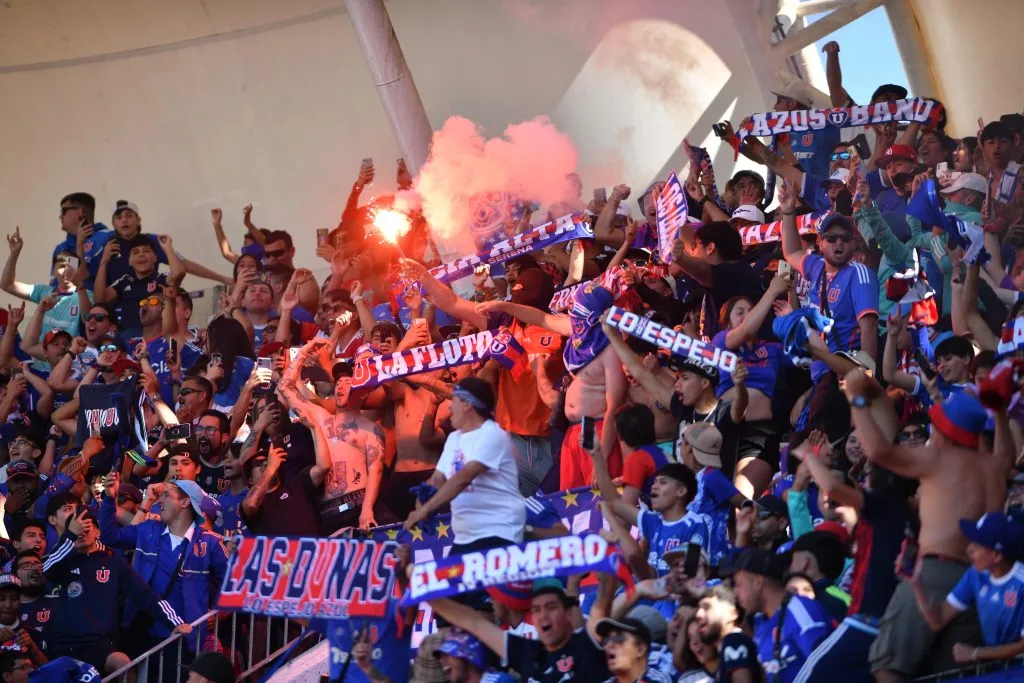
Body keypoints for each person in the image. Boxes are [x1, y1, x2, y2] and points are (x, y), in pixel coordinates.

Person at [847, 371, 1009, 679]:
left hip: (936, 574)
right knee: (953, 674)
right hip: (978, 579)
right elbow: (1006, 452)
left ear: (946, 433)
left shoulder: (939, 459)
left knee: (887, 665)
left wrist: (855, 397)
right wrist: (999, 411)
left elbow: (879, 451)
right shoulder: (995, 467)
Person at [780, 182, 879, 441]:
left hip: (844, 377)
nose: (838, 244)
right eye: (831, 238)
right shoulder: (818, 269)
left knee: (817, 449)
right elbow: (791, 251)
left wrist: (866, 380)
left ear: (854, 244)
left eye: (845, 239)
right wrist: (788, 213)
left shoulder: (859, 274)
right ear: (820, 243)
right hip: (823, 376)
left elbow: (868, 328)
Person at [43, 507, 191, 675]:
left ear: (98, 532)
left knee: (122, 663)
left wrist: (175, 622)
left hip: (99, 643)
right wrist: (69, 535)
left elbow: (145, 595)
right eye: (76, 529)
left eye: (86, 527)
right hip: (63, 644)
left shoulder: (114, 563)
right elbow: (46, 569)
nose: (80, 533)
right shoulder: (62, 563)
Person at [404, 378, 525, 552]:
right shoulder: (455, 438)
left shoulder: (493, 434)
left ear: (468, 404)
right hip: (465, 537)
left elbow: (464, 477)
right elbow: (437, 479)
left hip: (498, 532)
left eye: (453, 401)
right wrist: (420, 503)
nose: (450, 407)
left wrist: (426, 510)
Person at [279, 339, 386, 533]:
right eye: (338, 382)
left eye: (347, 382)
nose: (340, 386)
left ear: (362, 393)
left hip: (358, 505)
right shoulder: (322, 418)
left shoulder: (370, 428)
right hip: (327, 512)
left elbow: (376, 470)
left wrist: (367, 509)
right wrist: (304, 351)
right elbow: (285, 387)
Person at [429, 576, 616, 682]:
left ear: (567, 613)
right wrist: (423, 591)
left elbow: (604, 600)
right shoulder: (527, 653)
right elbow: (473, 622)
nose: (543, 615)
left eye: (551, 607)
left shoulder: (587, 642)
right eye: (536, 610)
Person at [913, 513, 1024, 665]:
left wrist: (976, 653)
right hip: (996, 667)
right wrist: (917, 584)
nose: (968, 549)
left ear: (997, 555)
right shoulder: (975, 574)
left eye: (978, 545)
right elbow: (938, 621)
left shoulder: (1021, 582)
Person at [723, 548, 832, 683]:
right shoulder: (760, 622)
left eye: (738, 584)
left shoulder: (799, 609)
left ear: (758, 582)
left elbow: (828, 667)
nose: (735, 593)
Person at [694, 584, 763, 683]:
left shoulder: (734, 641)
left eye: (707, 607)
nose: (698, 615)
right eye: (698, 609)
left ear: (733, 614)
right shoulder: (728, 646)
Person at [595, 617, 673, 682]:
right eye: (606, 640)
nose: (608, 645)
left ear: (640, 649)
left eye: (619, 638)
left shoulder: (658, 680)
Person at [433, 629, 517, 683]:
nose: (442, 660)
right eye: (441, 656)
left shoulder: (501, 681)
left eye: (448, 654)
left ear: (470, 659)